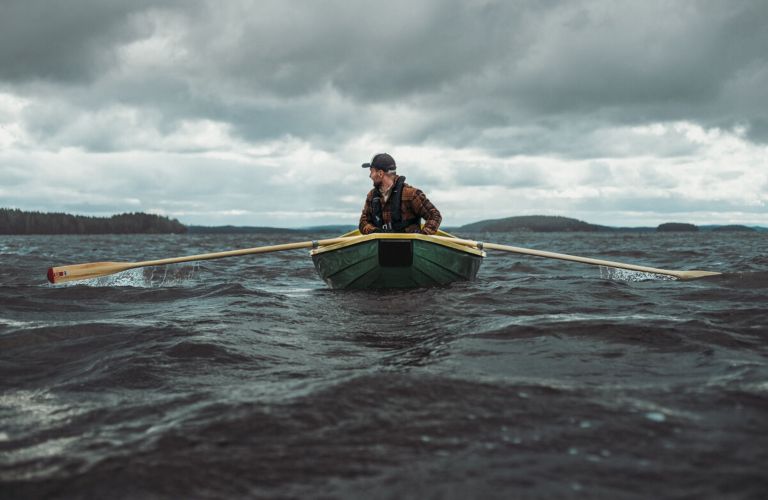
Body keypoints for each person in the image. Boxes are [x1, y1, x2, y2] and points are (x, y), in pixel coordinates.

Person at [358, 153, 442, 235]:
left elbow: (434, 215)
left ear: (380, 173)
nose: (370, 176)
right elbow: (363, 223)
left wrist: (421, 238)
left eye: (372, 172)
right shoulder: (371, 196)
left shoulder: (411, 194)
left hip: (408, 248)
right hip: (382, 247)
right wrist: (376, 232)